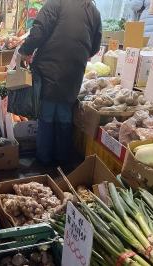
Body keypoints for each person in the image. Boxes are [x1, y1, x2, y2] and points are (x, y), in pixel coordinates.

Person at [18, 0, 102, 165]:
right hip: (74, 70)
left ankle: (44, 159)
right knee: (64, 111)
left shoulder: (56, 3)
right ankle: (61, 157)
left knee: (47, 112)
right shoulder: (93, 11)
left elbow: (39, 30)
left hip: (49, 66)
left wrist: (24, 51)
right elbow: (95, 46)